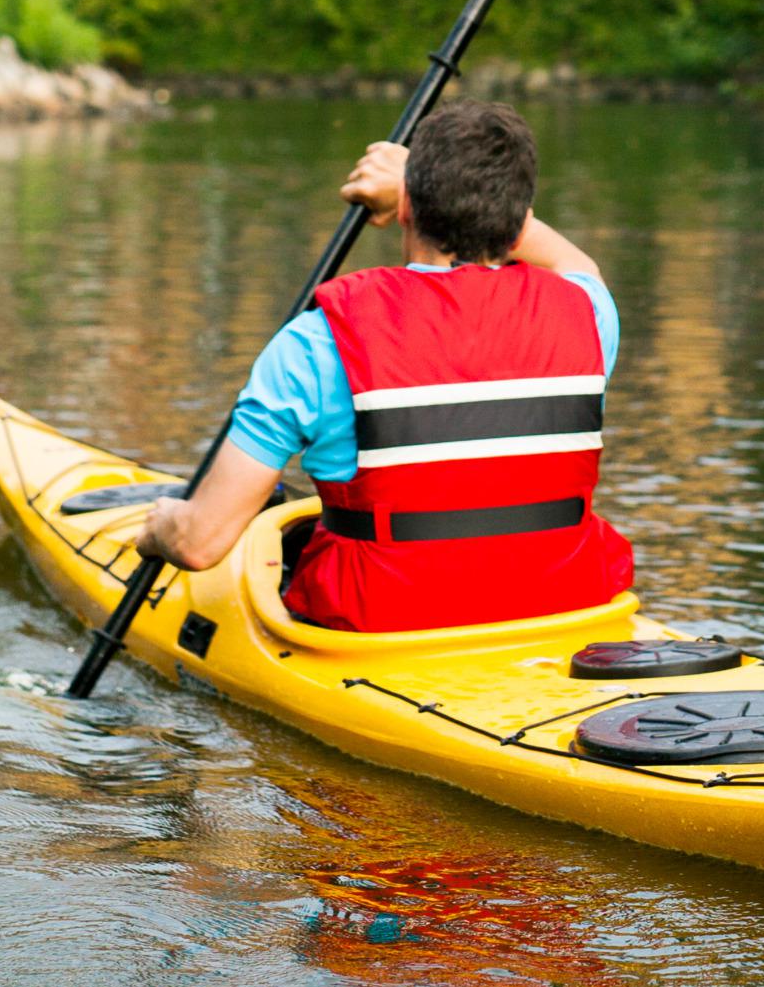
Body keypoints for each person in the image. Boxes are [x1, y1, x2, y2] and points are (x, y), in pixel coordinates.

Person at [138, 100, 634, 633]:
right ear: (520, 224)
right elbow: (575, 262)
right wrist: (434, 191)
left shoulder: (317, 341)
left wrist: (160, 526)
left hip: (379, 627)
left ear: (405, 210)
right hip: (562, 608)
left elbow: (199, 543)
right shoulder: (588, 314)